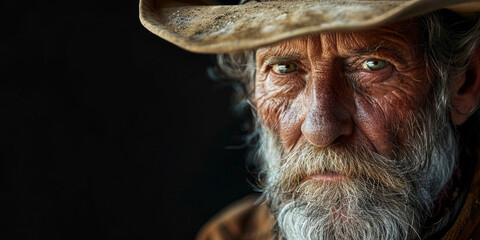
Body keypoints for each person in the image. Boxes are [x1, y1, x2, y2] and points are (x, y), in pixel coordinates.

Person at [140, 0, 480, 239]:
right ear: (253, 90)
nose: (320, 129)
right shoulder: (231, 235)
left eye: (373, 66)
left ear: (464, 80)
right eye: (285, 68)